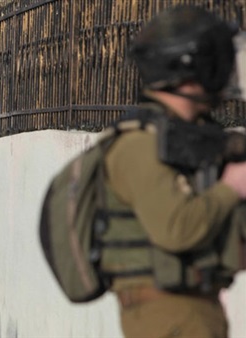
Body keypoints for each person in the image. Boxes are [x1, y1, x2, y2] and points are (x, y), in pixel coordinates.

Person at [103, 6, 246, 337]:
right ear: (188, 72)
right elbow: (176, 228)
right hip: (169, 320)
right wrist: (231, 187)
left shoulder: (185, 142)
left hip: (194, 312)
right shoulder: (139, 144)